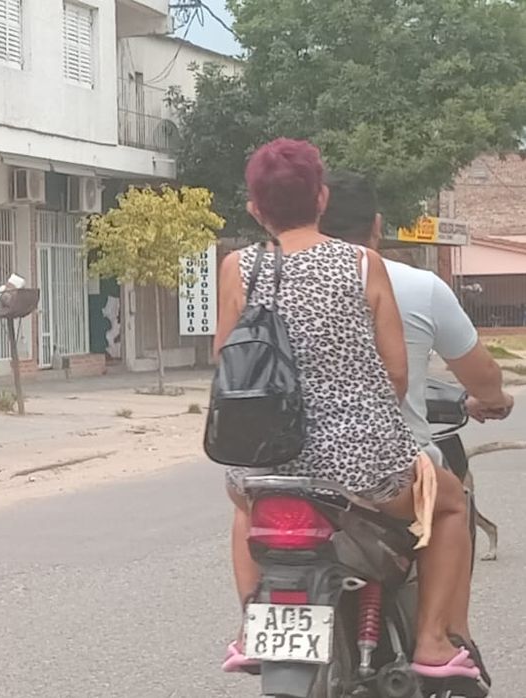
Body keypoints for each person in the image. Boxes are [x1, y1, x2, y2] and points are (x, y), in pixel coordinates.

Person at [218, 139, 484, 686]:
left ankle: (253, 629)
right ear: (320, 197)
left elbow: (228, 363)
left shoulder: (236, 267)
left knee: (246, 503)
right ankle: (433, 642)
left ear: (254, 208)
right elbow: (397, 372)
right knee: (451, 503)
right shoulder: (363, 262)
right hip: (364, 465)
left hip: (267, 459)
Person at [319, 170, 514, 449]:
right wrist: (496, 400)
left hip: (284, 466)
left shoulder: (274, 284)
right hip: (393, 464)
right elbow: (482, 375)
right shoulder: (420, 287)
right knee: (452, 490)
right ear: (376, 225)